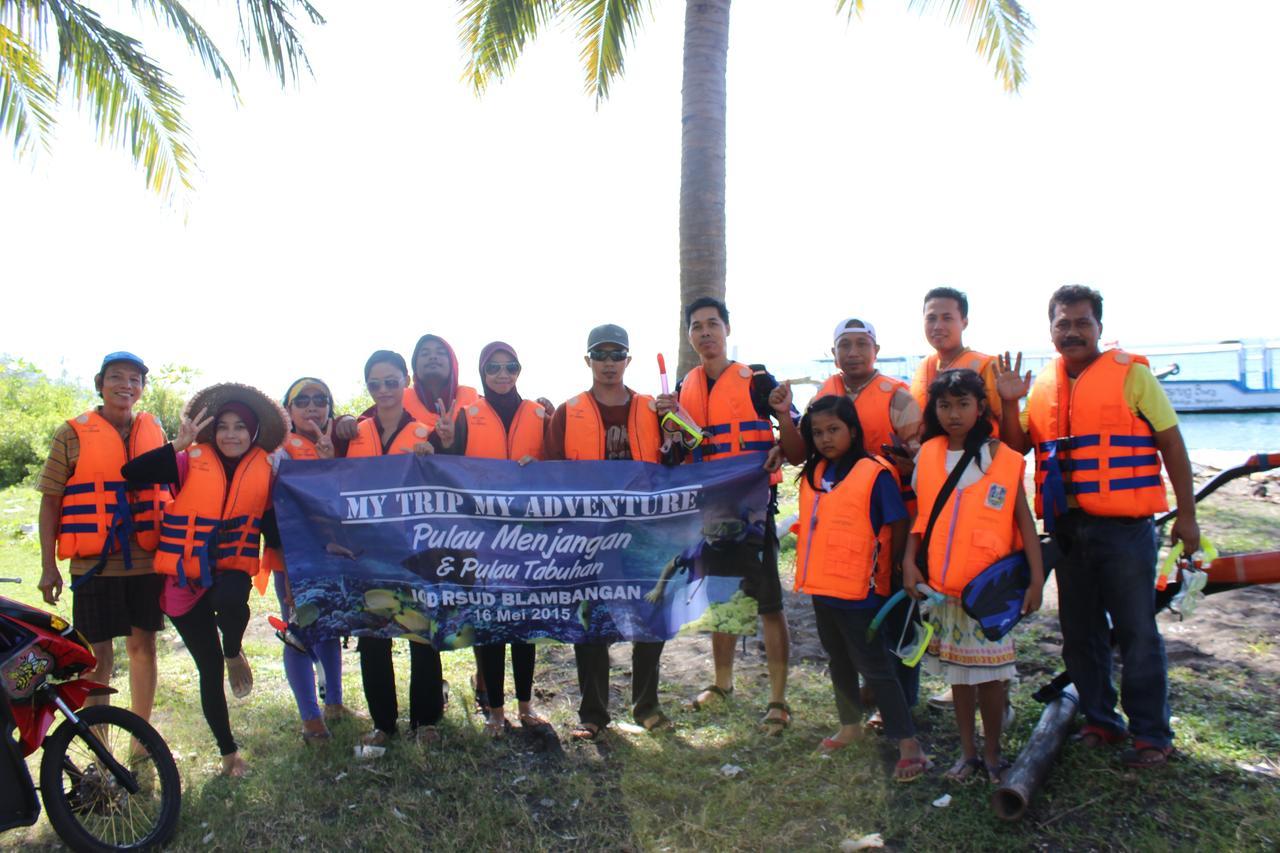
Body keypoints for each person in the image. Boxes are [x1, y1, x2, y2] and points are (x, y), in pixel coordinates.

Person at [995, 284, 1199, 770]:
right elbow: (1015, 444)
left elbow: (1172, 445)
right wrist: (1007, 403)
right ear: (1051, 329)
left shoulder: (1133, 377)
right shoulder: (1042, 385)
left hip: (1125, 530)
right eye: (1062, 324)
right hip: (1068, 531)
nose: (1072, 332)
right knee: (1079, 631)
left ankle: (1151, 735)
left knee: (1136, 630)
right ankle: (1100, 719)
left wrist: (1187, 515)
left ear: (1099, 327)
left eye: (1082, 322)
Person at [123, 382, 287, 777]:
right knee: (208, 669)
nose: (232, 434)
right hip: (183, 580)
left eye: (240, 427)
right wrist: (178, 445)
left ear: (253, 432)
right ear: (213, 431)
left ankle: (234, 650)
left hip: (229, 571)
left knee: (233, 599)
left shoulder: (264, 469)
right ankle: (229, 754)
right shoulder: (188, 460)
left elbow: (272, 526)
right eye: (224, 426)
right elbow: (132, 473)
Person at [660, 297, 803, 736]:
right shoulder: (683, 388)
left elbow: (797, 447)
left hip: (756, 510)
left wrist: (782, 420)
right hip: (711, 512)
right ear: (689, 336)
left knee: (769, 605)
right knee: (723, 599)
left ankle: (778, 699)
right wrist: (668, 431)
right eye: (697, 327)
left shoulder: (758, 380)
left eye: (712, 324)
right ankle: (722, 684)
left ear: (727, 329)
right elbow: (676, 457)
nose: (705, 333)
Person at [902, 369, 1044, 783]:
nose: (953, 413)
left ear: (980, 407)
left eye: (963, 403)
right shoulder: (927, 455)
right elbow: (921, 519)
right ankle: (968, 753)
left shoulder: (1002, 457)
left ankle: (994, 753)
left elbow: (1025, 522)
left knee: (993, 681)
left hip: (990, 595)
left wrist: (1037, 580)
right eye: (944, 405)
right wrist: (909, 562)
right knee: (960, 679)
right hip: (946, 593)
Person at [792, 394, 930, 781]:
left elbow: (897, 523)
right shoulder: (817, 472)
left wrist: (897, 569)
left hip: (863, 593)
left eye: (833, 429)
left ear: (852, 430)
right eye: (817, 432)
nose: (825, 439)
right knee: (838, 660)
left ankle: (908, 743)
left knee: (878, 668)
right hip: (822, 587)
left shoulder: (875, 473)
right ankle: (849, 725)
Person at [544, 324, 671, 740]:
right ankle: (593, 714)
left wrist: (678, 425)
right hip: (590, 536)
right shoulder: (568, 411)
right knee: (592, 623)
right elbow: (553, 477)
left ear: (628, 361)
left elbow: (678, 461)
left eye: (618, 355)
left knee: (650, 618)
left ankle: (646, 706)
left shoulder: (654, 407)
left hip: (643, 533)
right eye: (601, 354)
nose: (610, 362)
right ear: (588, 361)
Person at [36, 352, 169, 724]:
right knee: (97, 657)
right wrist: (49, 567)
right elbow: (50, 504)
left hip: (145, 560)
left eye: (134, 379)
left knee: (144, 648)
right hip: (94, 565)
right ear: (100, 383)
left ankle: (141, 742)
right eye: (116, 377)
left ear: (142, 389)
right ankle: (98, 744)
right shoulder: (71, 434)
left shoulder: (154, 432)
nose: (125, 385)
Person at [813, 318, 924, 718]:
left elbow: (923, 462)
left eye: (862, 344)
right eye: (846, 345)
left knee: (898, 615)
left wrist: (908, 466)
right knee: (858, 619)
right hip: (844, 533)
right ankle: (873, 690)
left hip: (893, 522)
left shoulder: (897, 396)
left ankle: (903, 701)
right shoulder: (824, 396)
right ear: (834, 353)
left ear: (876, 349)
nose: (854, 353)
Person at [442, 341, 552, 737]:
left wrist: (538, 466)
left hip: (529, 538)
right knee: (488, 623)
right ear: (482, 373)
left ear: (519, 370)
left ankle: (525, 704)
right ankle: (494, 710)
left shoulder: (540, 413)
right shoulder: (466, 416)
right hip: (481, 537)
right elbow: (444, 468)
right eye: (493, 368)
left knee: (525, 623)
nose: (503, 374)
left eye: (510, 366)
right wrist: (436, 442)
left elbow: (558, 467)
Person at [345, 350, 442, 747]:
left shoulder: (427, 431)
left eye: (391, 381)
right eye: (375, 383)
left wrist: (433, 459)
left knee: (421, 634)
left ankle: (427, 721)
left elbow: (445, 490)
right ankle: (383, 723)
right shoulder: (352, 432)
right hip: (367, 550)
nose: (383, 390)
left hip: (415, 549)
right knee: (373, 636)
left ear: (406, 381)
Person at [260, 377, 362, 743]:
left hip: (334, 556)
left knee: (330, 627)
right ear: (288, 410)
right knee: (299, 633)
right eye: (301, 401)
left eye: (320, 400)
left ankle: (334, 702)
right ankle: (310, 719)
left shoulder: (338, 442)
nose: (312, 407)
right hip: (292, 559)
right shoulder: (274, 450)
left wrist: (328, 461)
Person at [909, 287, 1003, 423]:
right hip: (930, 444)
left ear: (964, 323)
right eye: (931, 318)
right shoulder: (924, 366)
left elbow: (1009, 428)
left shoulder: (988, 367)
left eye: (947, 318)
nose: (937, 326)